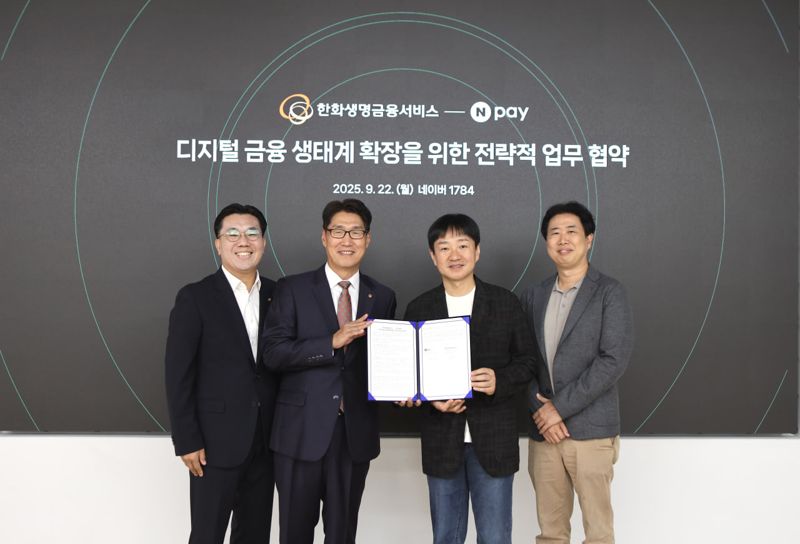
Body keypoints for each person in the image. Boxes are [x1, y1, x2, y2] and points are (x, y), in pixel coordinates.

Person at [263, 198, 397, 544]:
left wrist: (405, 389)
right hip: (300, 433)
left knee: (342, 534)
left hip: (353, 435)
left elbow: (385, 363)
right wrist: (331, 342)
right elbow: (273, 354)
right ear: (324, 237)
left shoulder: (382, 296)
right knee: (294, 533)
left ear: (368, 239)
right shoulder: (292, 289)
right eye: (338, 231)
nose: (347, 240)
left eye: (356, 232)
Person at [402, 213, 539, 544]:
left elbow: (528, 362)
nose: (455, 255)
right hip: (441, 441)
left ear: (477, 251)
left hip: (494, 442)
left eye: (463, 245)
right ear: (433, 256)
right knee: (445, 537)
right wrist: (426, 398)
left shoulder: (505, 302)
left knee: (494, 538)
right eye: (444, 247)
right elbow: (409, 376)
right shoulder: (419, 308)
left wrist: (498, 380)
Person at [520, 201, 634, 544]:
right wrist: (541, 411)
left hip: (591, 432)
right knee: (550, 534)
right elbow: (522, 360)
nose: (563, 239)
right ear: (546, 242)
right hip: (545, 434)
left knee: (598, 533)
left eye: (572, 231)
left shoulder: (609, 292)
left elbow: (612, 360)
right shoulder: (534, 295)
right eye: (554, 233)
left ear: (589, 239)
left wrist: (558, 408)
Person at [165, 203, 277, 544]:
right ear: (218, 243)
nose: (243, 241)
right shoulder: (195, 297)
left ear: (263, 241)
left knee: (255, 535)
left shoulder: (279, 294)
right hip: (212, 444)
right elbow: (178, 374)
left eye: (252, 233)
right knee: (207, 535)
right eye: (232, 234)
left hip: (267, 440)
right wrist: (187, 440)